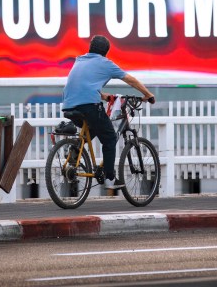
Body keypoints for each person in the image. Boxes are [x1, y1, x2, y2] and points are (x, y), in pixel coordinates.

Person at [62, 35, 155, 190]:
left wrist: (104, 96)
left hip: (69, 105)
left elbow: (83, 85)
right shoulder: (105, 63)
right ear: (106, 52)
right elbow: (130, 80)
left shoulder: (80, 60)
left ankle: (74, 149)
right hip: (89, 106)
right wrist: (148, 95)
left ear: (90, 48)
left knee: (93, 130)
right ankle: (110, 179)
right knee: (110, 138)